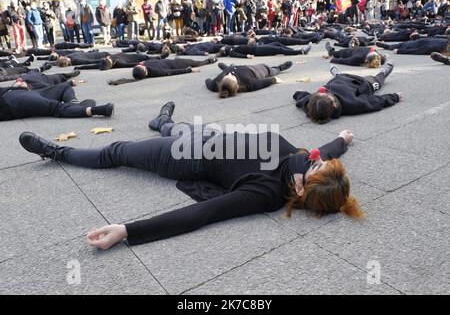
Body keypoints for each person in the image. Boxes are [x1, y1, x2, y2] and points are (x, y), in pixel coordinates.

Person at [18, 102, 362, 250]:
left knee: (118, 151)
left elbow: (202, 214)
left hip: (186, 158)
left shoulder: (266, 192)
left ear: (303, 189)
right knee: (175, 127)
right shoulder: (301, 164)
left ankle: (57, 152)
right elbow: (326, 150)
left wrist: (127, 231)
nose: (315, 156)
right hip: (209, 136)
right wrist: (343, 140)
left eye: (316, 165)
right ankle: (162, 120)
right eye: (320, 161)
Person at [293, 62, 400, 124]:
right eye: (326, 94)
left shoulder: (311, 105)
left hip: (340, 79)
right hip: (360, 84)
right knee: (377, 81)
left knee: (339, 77)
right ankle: (383, 73)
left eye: (319, 93)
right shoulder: (352, 105)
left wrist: (297, 93)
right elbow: (375, 102)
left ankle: (338, 74)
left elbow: (303, 98)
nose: (323, 91)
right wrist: (394, 97)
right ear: (334, 104)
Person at [0, 77, 114, 121]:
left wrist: (17, 86)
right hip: (12, 102)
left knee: (63, 87)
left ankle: (74, 105)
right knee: (54, 107)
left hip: (19, 93)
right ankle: (90, 110)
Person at [205, 61, 292, 98]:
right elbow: (261, 83)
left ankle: (227, 67)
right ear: (236, 83)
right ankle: (279, 68)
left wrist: (208, 80)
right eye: (230, 76)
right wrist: (274, 79)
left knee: (230, 69)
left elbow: (208, 82)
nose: (229, 74)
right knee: (269, 69)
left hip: (235, 67)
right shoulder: (249, 83)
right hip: (255, 70)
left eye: (226, 76)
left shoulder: (216, 84)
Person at [108, 57, 217, 84]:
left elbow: (152, 60)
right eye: (142, 67)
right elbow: (170, 73)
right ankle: (211, 60)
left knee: (194, 61)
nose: (142, 65)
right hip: (176, 65)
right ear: (145, 72)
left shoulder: (142, 66)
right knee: (196, 63)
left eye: (140, 65)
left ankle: (210, 59)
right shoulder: (155, 72)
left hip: (171, 61)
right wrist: (188, 70)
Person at [216, 42, 312, 58]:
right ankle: (301, 51)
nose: (224, 46)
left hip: (258, 47)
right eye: (223, 48)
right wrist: (246, 56)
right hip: (258, 51)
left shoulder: (232, 48)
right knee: (278, 49)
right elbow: (237, 55)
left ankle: (293, 50)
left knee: (277, 44)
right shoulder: (232, 52)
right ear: (224, 51)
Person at [376, 37, 448, 55]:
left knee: (404, 45)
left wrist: (400, 51)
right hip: (423, 41)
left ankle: (388, 47)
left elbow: (419, 51)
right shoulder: (445, 41)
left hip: (418, 46)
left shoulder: (436, 48)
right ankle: (388, 46)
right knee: (403, 44)